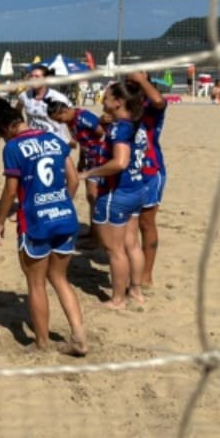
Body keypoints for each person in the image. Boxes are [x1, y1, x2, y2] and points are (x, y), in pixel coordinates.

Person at [0, 98, 87, 354]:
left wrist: (0, 221)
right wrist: (61, 202)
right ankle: (80, 337)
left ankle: (41, 343)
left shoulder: (13, 148)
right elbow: (73, 179)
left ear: (4, 128)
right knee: (61, 279)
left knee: (36, 284)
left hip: (36, 222)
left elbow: (10, 191)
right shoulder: (54, 138)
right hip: (64, 215)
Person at [77, 82, 149, 309]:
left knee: (115, 250)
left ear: (118, 102)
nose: (102, 100)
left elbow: (120, 162)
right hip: (136, 189)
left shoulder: (120, 129)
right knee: (133, 245)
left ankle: (118, 299)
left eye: (106, 97)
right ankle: (135, 291)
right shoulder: (137, 125)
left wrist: (89, 173)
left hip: (117, 192)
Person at [127, 72, 166, 289]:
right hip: (127, 171)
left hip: (151, 170)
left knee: (146, 222)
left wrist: (142, 80)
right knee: (127, 224)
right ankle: (133, 271)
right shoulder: (124, 105)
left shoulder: (150, 107)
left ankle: (147, 274)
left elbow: (160, 101)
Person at [51, 101, 107, 235]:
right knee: (91, 197)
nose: (60, 123)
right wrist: (82, 159)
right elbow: (83, 141)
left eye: (59, 119)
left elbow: (102, 132)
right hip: (90, 159)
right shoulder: (71, 123)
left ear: (64, 111)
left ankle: (97, 235)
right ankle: (94, 233)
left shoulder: (83, 117)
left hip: (99, 159)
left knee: (93, 196)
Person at [17, 64, 72, 142]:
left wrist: (73, 138)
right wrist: (23, 128)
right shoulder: (24, 96)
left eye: (37, 76)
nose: (33, 79)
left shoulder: (58, 97)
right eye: (31, 76)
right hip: (35, 141)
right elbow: (17, 111)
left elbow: (72, 117)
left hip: (56, 140)